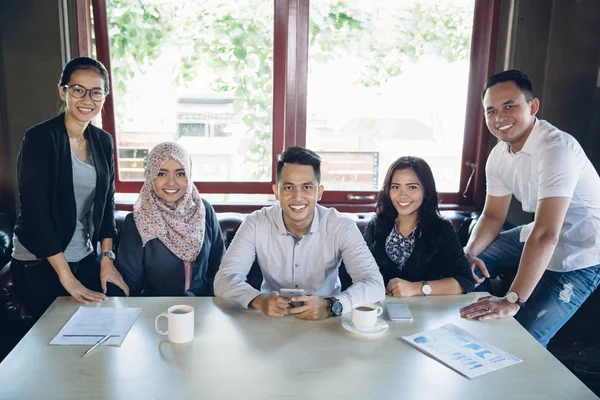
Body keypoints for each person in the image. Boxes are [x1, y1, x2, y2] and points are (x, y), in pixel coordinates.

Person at [459, 70, 600, 346]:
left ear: (532, 106)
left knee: (522, 342)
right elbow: (492, 215)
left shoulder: (556, 149)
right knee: (469, 260)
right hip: (540, 233)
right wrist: (469, 252)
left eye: (509, 106)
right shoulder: (499, 155)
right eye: (491, 111)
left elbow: (547, 234)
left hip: (583, 252)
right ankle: (474, 323)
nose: (499, 118)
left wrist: (512, 300)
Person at [11, 57, 129, 319]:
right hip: (39, 260)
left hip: (83, 255)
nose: (87, 99)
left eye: (96, 92)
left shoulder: (102, 141)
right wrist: (66, 277)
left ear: (105, 96)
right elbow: (35, 212)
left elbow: (107, 203)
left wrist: (106, 260)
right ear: (63, 91)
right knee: (54, 342)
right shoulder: (40, 138)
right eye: (78, 89)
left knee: (108, 320)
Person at [214, 147, 385, 320]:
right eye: (288, 187)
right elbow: (224, 280)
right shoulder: (255, 223)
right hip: (270, 319)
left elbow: (374, 284)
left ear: (319, 192)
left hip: (327, 320)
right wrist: (259, 300)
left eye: (307, 187)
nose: (297, 197)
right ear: (276, 191)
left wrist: (330, 306)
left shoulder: (341, 226)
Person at [116, 142, 226, 296]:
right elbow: (129, 285)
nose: (171, 182)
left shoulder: (203, 210)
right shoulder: (137, 220)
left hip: (203, 307)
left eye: (180, 173)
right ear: (151, 175)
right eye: (162, 173)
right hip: (157, 311)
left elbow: (221, 267)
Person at [364, 156, 474, 297]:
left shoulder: (441, 229)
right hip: (382, 311)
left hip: (427, 314)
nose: (402, 195)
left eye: (412, 187)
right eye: (395, 187)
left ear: (426, 191)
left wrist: (416, 288)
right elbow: (359, 275)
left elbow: (465, 281)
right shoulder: (376, 225)